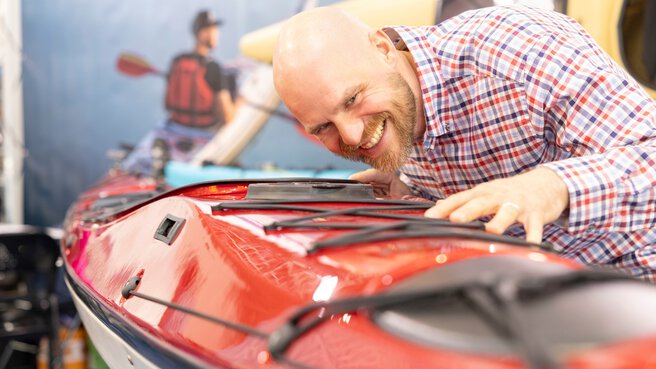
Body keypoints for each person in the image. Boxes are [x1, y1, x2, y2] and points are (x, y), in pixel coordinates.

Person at [272, 6, 656, 280]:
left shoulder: (519, 49)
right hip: (526, 304)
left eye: (352, 100)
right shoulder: (397, 111)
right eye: (323, 127)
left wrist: (551, 186)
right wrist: (408, 188)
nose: (352, 137)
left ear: (385, 50)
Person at [165, 10, 239, 130]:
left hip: (176, 124)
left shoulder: (176, 61)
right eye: (213, 29)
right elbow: (228, 117)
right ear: (202, 33)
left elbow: (167, 104)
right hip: (204, 129)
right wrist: (240, 103)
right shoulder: (213, 68)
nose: (217, 34)